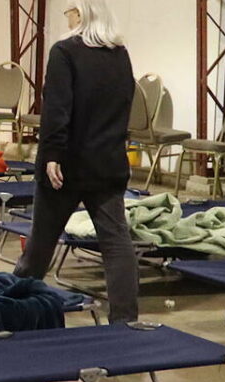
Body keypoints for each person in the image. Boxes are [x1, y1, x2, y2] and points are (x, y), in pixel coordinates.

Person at [15, 0, 140, 323]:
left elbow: (57, 108)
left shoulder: (65, 52)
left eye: (68, 11)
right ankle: (125, 319)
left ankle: (13, 308)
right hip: (108, 163)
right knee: (116, 244)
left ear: (81, 13)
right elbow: (124, 107)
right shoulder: (120, 55)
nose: (67, 17)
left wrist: (53, 154)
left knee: (41, 243)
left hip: (68, 166)